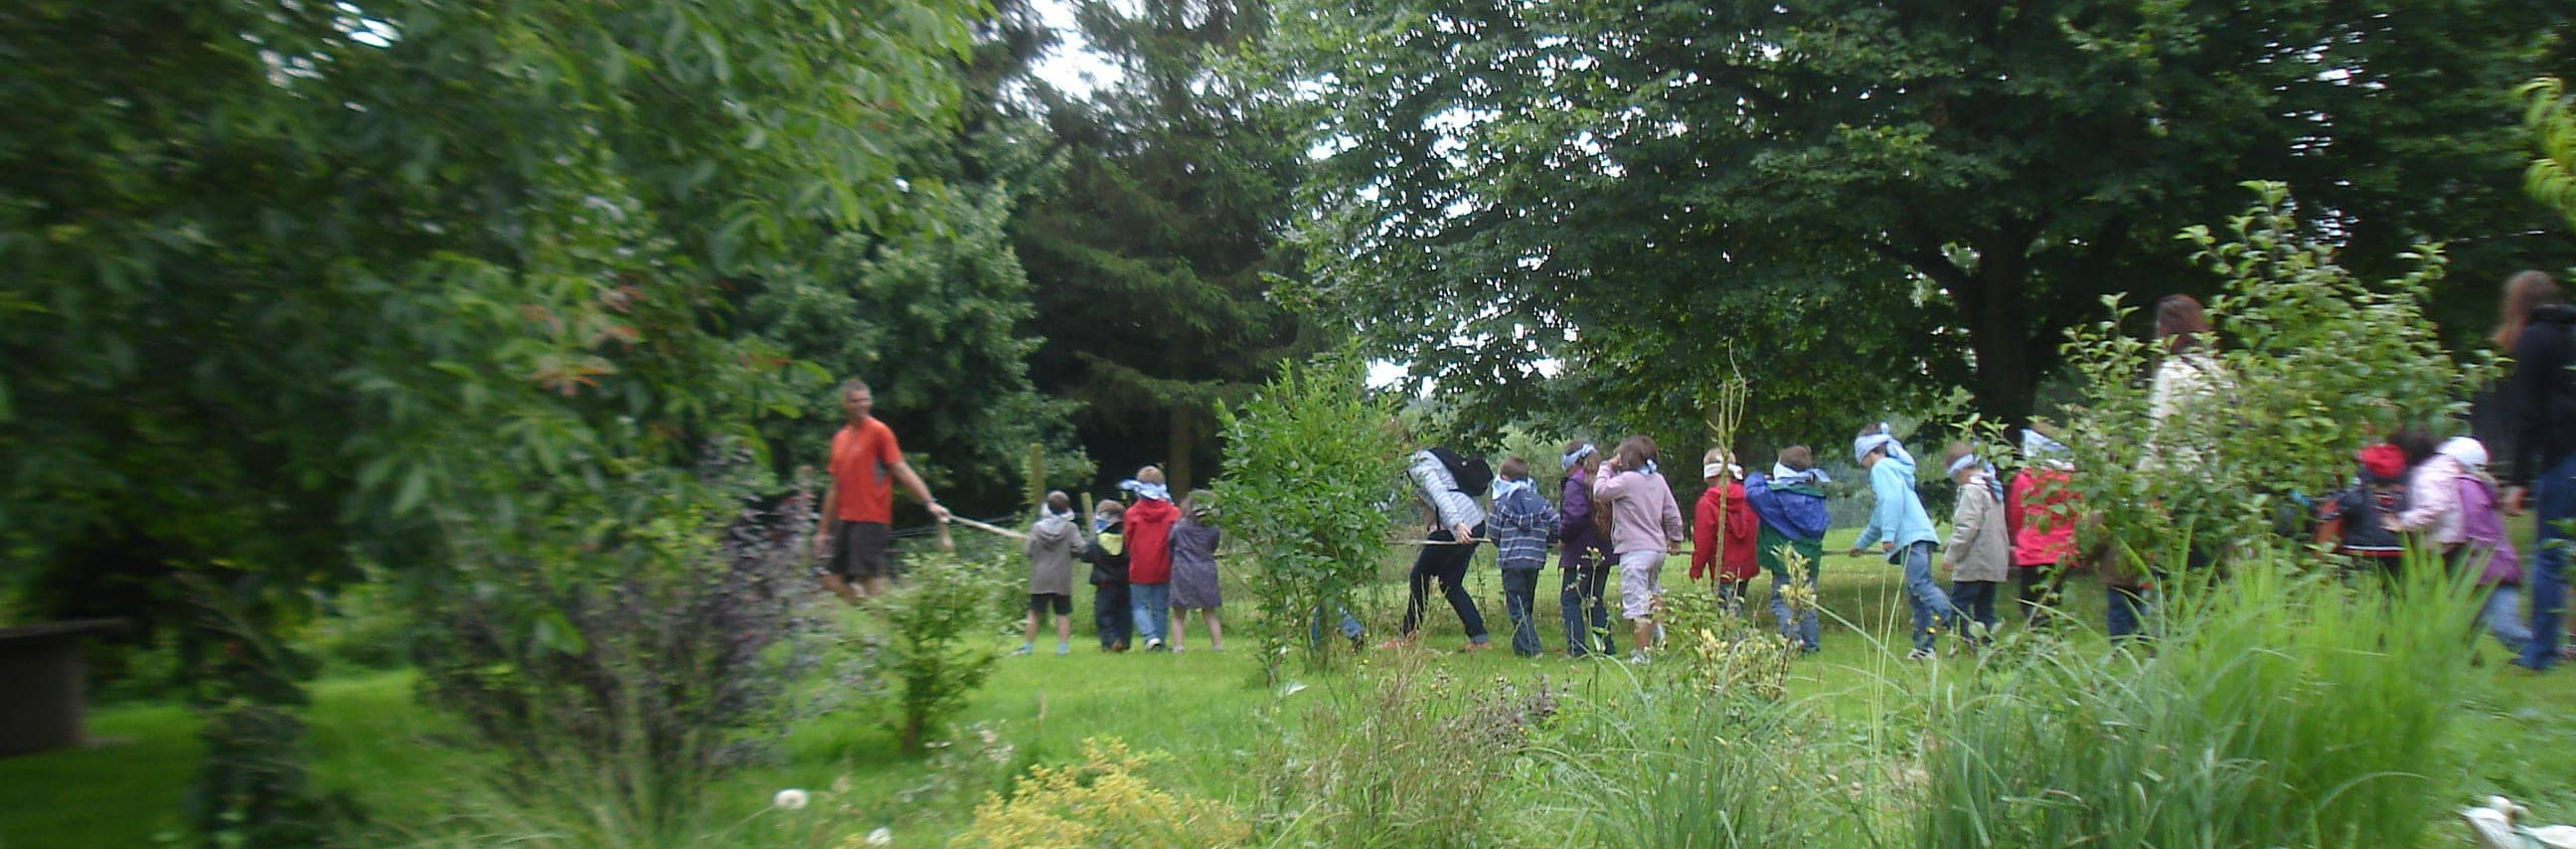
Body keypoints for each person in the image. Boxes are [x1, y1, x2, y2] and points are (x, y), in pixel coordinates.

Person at [812, 379, 952, 602]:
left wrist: (929, 502)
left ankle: (885, 625)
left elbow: (900, 469)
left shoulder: (879, 432)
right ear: (845, 404)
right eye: (856, 401)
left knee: (870, 581)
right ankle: (879, 621)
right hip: (846, 520)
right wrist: (822, 531)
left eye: (866, 400)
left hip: (872, 519)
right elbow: (834, 488)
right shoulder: (840, 438)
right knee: (831, 581)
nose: (862, 405)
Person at [2499, 271, 2576, 672]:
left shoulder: (2534, 339)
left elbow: (2527, 415)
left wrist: (2517, 481)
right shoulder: (2571, 332)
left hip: (2562, 458)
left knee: (2550, 556)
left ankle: (2542, 653)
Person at [2391, 436, 2531, 653]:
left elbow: (2442, 512)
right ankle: (2465, 655)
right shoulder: (2468, 483)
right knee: (2463, 616)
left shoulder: (2452, 482)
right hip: (2489, 562)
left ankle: (2545, 653)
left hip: (2486, 564)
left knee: (2505, 627)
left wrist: (2404, 523)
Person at [1848, 424, 1952, 659]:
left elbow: (1892, 501)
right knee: (1916, 593)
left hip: (1910, 538)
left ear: (1869, 452)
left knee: (1921, 586)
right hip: (1920, 536)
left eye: (1861, 458)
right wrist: (1861, 544)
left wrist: (1889, 535)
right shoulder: (1895, 469)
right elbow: (1880, 514)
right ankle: (1924, 647)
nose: (1862, 465)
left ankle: (1957, 621)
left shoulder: (1882, 469)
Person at [1390, 445, 1495, 651]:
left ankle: (1408, 634)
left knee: (1419, 575)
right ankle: (1480, 639)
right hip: (1476, 519)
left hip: (1459, 523)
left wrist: (1456, 524)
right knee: (1450, 582)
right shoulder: (1429, 456)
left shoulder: (1417, 465)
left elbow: (1439, 493)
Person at [1595, 435, 1687, 662]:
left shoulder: (1626, 480)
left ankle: (1642, 653)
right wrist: (1675, 537)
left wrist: (1606, 466)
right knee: (1653, 592)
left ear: (1624, 459)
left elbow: (1600, 492)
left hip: (1635, 551)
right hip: (1656, 548)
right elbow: (1672, 512)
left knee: (1636, 603)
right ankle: (1660, 636)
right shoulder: (1658, 480)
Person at [1746, 446, 1831, 654]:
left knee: (1780, 601)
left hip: (1785, 558)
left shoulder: (1775, 497)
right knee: (1806, 602)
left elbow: (1751, 492)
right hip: (1810, 558)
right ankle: (1811, 645)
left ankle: (1793, 641)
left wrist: (1757, 476)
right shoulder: (1815, 497)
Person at [1487, 457, 1559, 657]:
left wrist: (1501, 544)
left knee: (1517, 607)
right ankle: (1522, 648)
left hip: (1511, 559)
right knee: (1526, 604)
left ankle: (1533, 648)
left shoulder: (1501, 503)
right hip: (1535, 559)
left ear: (1504, 477)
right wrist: (1547, 541)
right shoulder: (1540, 502)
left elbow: (1492, 531)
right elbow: (1557, 524)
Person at [1940, 443, 2011, 649]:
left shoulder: (1972, 490)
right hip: (1993, 559)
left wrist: (1951, 555)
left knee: (1959, 605)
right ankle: (1988, 644)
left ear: (1961, 472)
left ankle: (1967, 642)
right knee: (1985, 607)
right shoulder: (1992, 486)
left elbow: (1966, 527)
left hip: (1975, 562)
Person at [2007, 427, 2078, 625]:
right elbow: (2077, 513)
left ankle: (2039, 637)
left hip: (2033, 550)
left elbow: (2016, 512)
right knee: (2054, 596)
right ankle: (2053, 635)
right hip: (2063, 550)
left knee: (2030, 600)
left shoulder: (2025, 479)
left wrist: (2019, 536)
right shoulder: (2071, 480)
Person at [1557, 441, 1620, 657]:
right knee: (1594, 599)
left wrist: (1562, 536)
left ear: (1573, 461)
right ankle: (1605, 648)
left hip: (1579, 552)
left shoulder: (1575, 484)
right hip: (1604, 550)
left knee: (1570, 599)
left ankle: (1576, 649)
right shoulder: (1604, 481)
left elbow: (1573, 518)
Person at [2323, 441, 2414, 579]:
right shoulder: (2408, 497)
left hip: (2360, 552)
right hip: (2398, 553)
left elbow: (2330, 521)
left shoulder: (2355, 497)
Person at [1690, 449, 1759, 611]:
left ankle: (1737, 638)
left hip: (1723, 568)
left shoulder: (1707, 504)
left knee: (1728, 615)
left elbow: (1703, 541)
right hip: (1746, 566)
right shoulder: (1748, 498)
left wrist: (1696, 569)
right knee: (1735, 606)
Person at [1122, 468, 1183, 651]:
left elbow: (1127, 539)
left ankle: (1150, 637)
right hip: (1165, 564)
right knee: (1160, 607)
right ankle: (1160, 643)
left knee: (1138, 605)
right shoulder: (1174, 513)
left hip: (1139, 565)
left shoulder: (1132, 513)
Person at [1018, 492, 1080, 656]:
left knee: (1034, 613)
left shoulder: (1037, 528)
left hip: (1040, 577)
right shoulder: (1071, 528)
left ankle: (1028, 648)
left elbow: (1028, 550)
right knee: (1062, 613)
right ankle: (1063, 649)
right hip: (1062, 578)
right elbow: (1080, 548)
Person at [1166, 491, 1224, 652]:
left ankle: (1178, 646)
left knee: (1178, 614)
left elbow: (1170, 545)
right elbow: (1213, 547)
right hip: (1206, 570)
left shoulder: (1179, 527)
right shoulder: (1213, 529)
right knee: (1210, 612)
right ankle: (1217, 645)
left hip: (1182, 571)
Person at [1080, 498, 1133, 651]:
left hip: (1105, 584)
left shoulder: (1096, 542)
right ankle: (1124, 641)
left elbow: (1085, 556)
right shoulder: (1127, 541)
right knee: (1124, 612)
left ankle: (1110, 641)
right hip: (1124, 582)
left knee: (1104, 613)